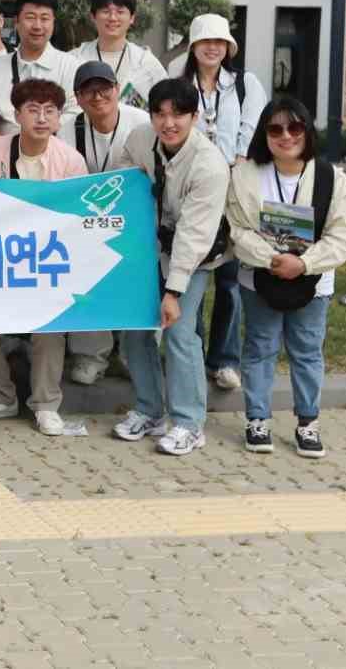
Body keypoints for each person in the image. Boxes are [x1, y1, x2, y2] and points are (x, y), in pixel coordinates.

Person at [227, 96, 346, 458]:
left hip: (313, 282)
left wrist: (304, 264)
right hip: (259, 277)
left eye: (295, 127)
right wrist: (271, 259)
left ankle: (308, 422)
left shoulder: (332, 178)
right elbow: (237, 229)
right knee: (260, 348)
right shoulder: (244, 176)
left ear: (307, 130)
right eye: (275, 129)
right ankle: (257, 420)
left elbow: (345, 232)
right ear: (264, 134)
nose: (286, 136)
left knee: (307, 351)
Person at [114, 78, 231, 457]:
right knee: (136, 327)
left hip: (194, 255)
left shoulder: (209, 165)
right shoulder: (139, 139)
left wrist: (173, 292)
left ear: (195, 117)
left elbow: (194, 237)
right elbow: (125, 177)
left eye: (178, 114)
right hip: (151, 248)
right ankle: (150, 411)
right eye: (160, 114)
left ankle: (189, 423)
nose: (168, 123)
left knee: (179, 330)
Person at [0, 79, 87, 435]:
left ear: (60, 117)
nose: (41, 118)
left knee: (51, 326)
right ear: (16, 114)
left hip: (48, 259)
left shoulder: (70, 160)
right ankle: (0, 396)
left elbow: (76, 217)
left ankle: (46, 404)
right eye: (33, 110)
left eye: (50, 111)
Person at [166, 13, 267, 393]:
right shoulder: (178, 82)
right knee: (188, 271)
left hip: (232, 190)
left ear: (228, 47)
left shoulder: (245, 84)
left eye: (220, 42)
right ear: (193, 46)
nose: (213, 48)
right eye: (205, 41)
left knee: (229, 279)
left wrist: (231, 167)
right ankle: (188, 351)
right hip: (189, 189)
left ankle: (224, 359)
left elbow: (251, 129)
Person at [57, 60, 152, 385]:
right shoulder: (68, 128)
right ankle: (90, 355)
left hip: (137, 216)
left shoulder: (141, 123)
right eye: (89, 91)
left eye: (104, 88)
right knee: (85, 279)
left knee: (138, 283)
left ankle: (132, 354)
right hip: (86, 218)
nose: (98, 97)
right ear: (78, 97)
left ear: (117, 89)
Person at [0, 0, 79, 136]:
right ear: (16, 22)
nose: (37, 26)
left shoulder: (71, 66)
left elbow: (75, 112)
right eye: (30, 17)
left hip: (57, 147)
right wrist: (8, 146)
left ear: (53, 23)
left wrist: (39, 138)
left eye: (44, 18)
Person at [71, 0, 166, 112]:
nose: (113, 18)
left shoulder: (147, 62)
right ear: (93, 17)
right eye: (105, 12)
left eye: (120, 12)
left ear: (132, 18)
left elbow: (166, 104)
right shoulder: (74, 59)